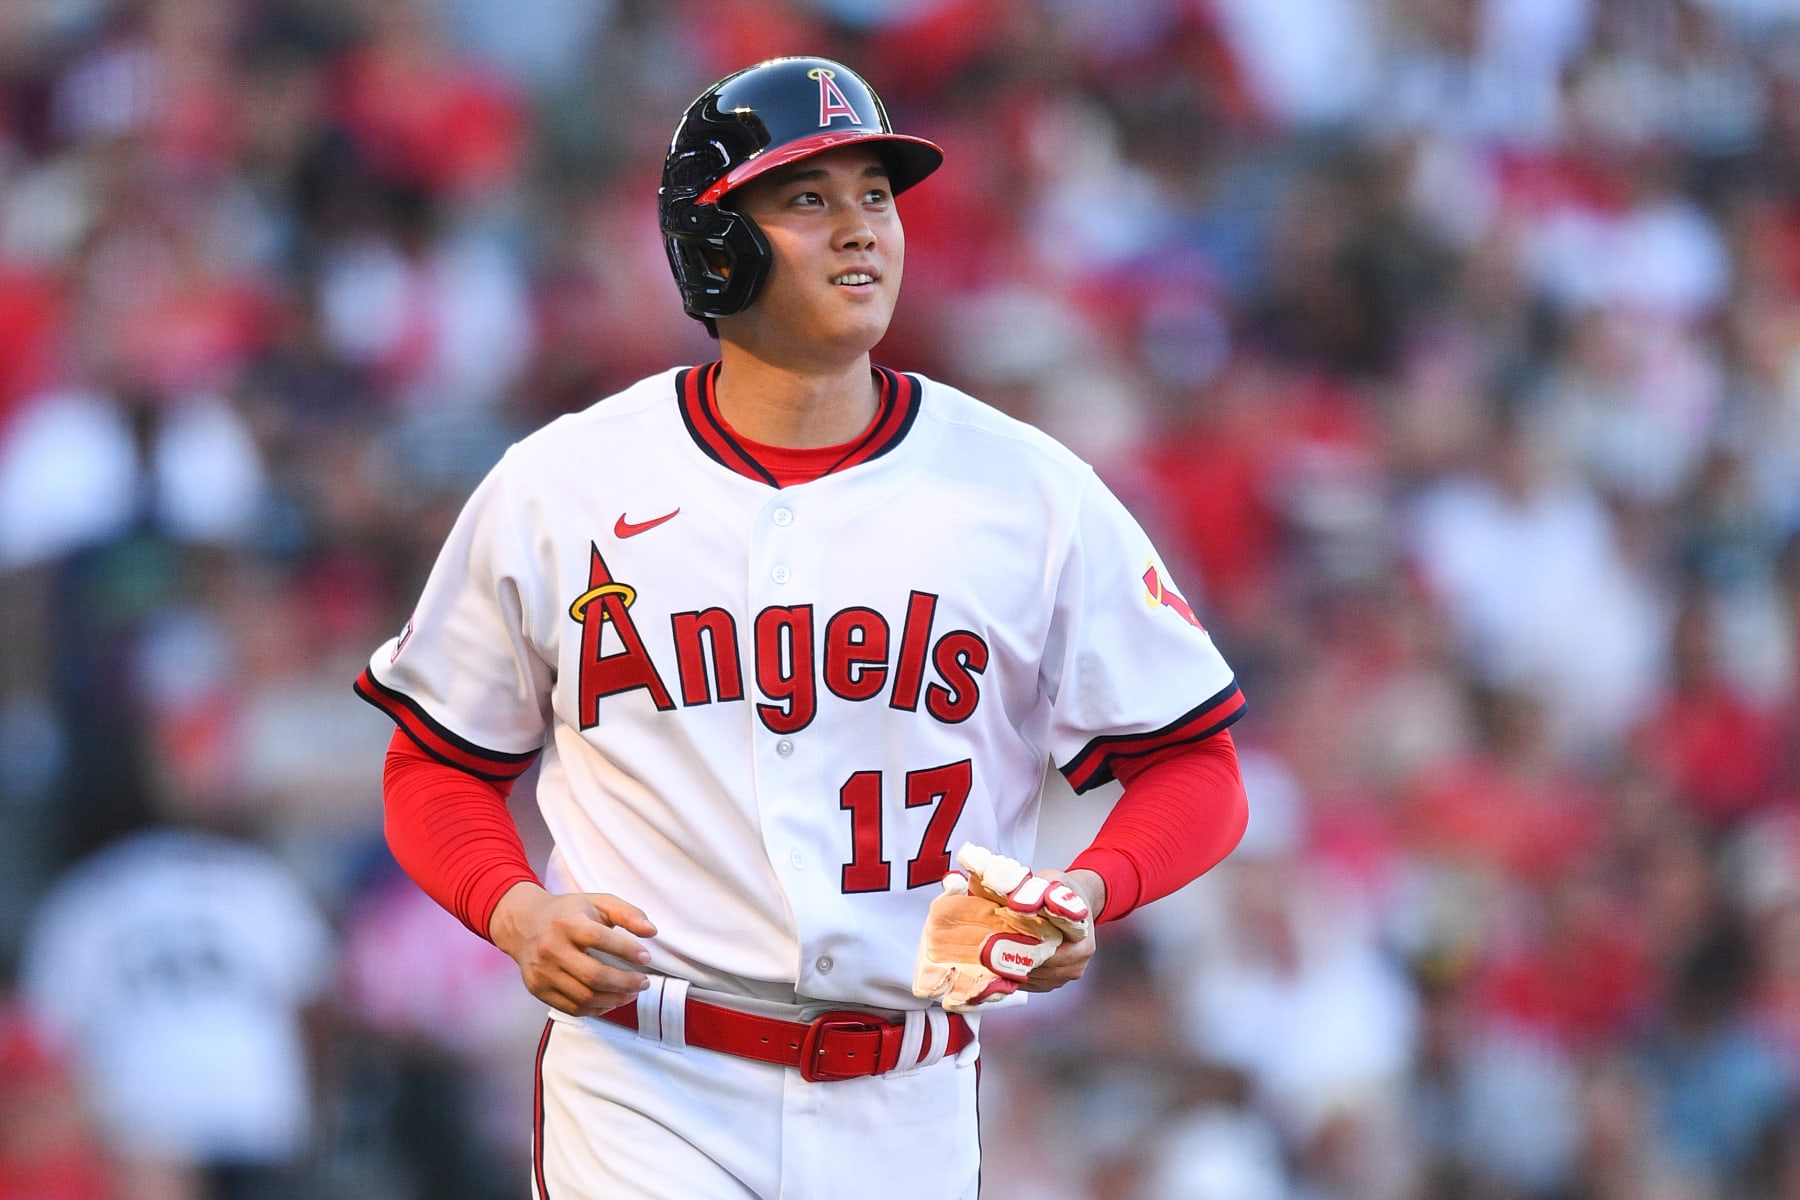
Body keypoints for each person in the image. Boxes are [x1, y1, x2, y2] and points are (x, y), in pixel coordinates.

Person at [356, 55, 1250, 1199]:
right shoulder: (564, 484)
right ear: (713, 242)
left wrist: (1088, 888)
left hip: (910, 1092)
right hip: (648, 1077)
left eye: (876, 195)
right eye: (808, 199)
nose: (861, 228)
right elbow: (435, 763)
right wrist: (513, 907)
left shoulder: (1029, 491)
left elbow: (1197, 766)